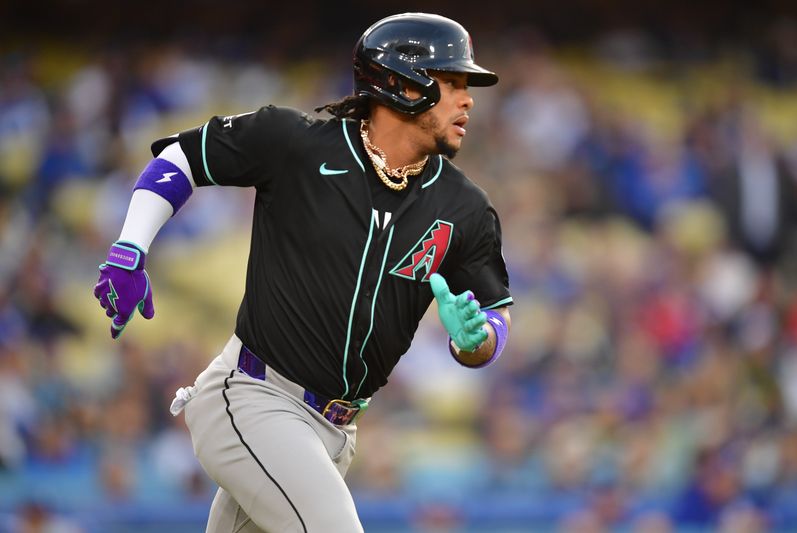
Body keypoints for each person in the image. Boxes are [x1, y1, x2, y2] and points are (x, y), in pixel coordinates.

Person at [92, 12, 512, 533]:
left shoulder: (466, 208)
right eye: (450, 83)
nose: (467, 98)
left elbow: (494, 318)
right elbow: (180, 159)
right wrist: (130, 248)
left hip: (336, 432)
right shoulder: (297, 143)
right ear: (400, 85)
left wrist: (477, 340)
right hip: (253, 398)